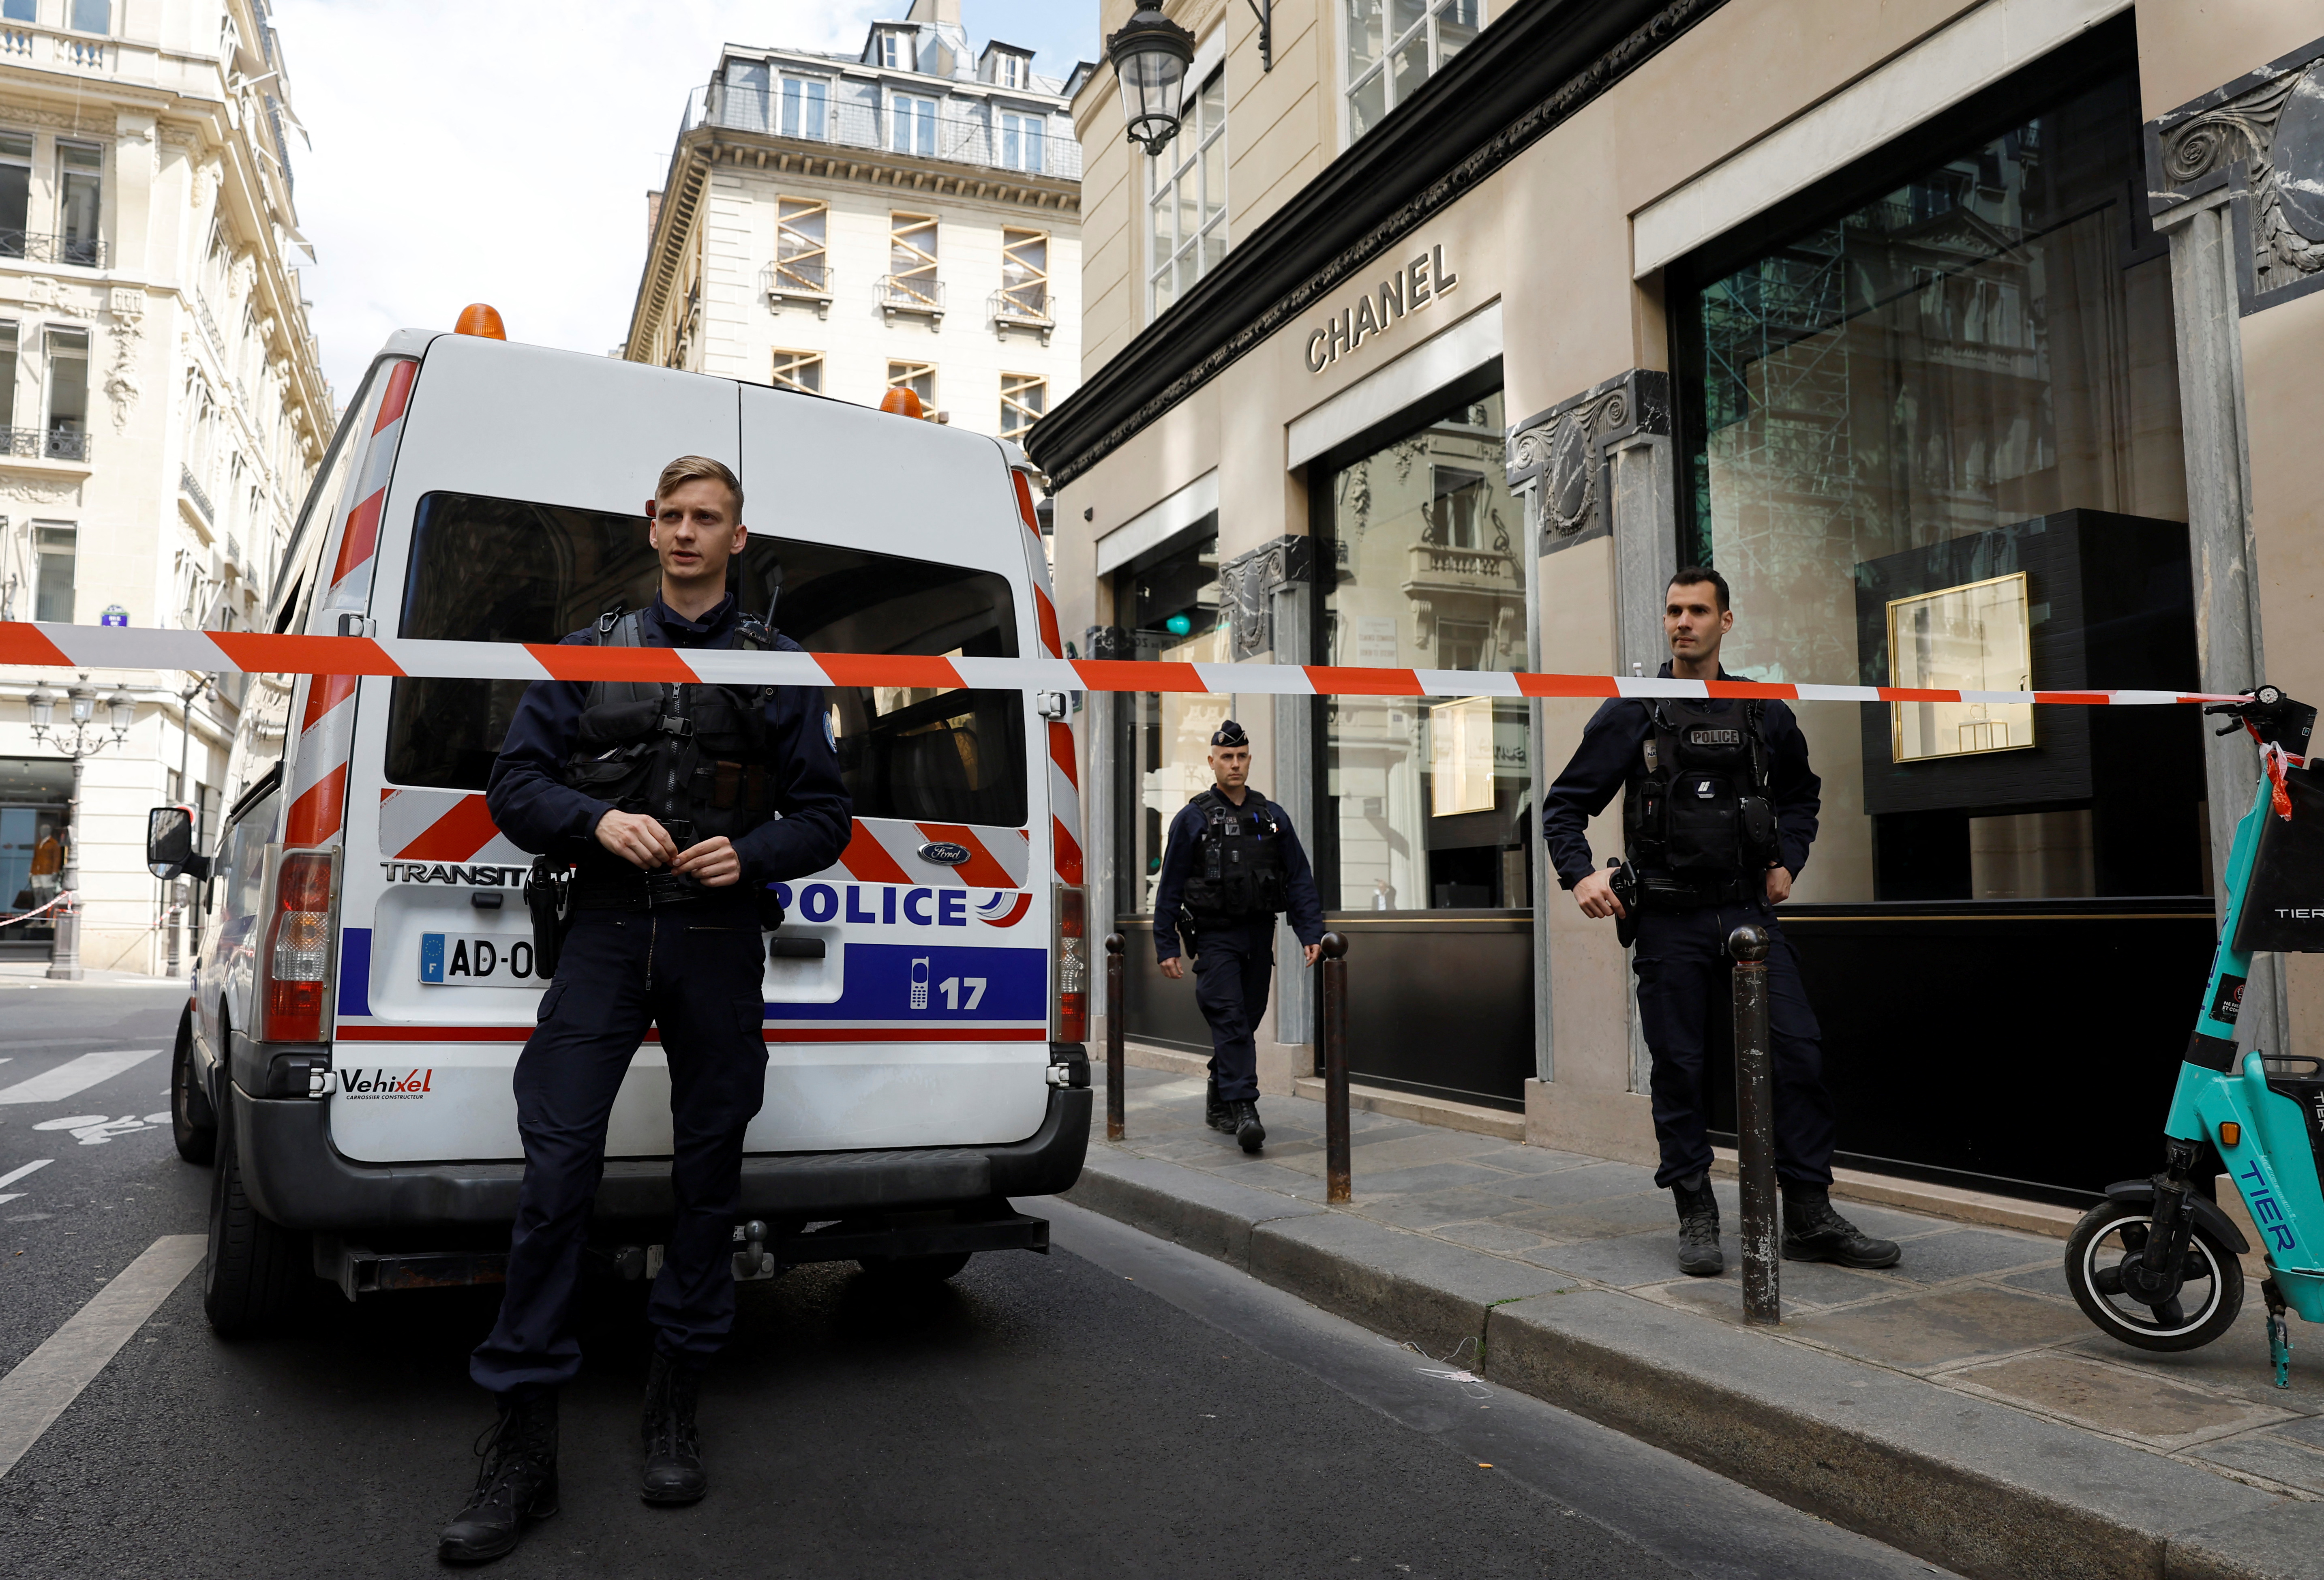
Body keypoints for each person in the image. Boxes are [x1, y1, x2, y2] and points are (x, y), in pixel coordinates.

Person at [437, 455, 852, 1564]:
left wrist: (751, 849)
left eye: (704, 518)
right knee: (556, 1170)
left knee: (707, 1176)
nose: (682, 533)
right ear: (650, 527)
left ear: (737, 536)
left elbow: (825, 817)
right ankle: (522, 1446)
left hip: (717, 936)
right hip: (609, 929)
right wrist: (589, 822)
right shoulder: (586, 653)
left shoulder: (781, 670)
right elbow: (513, 787)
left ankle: (675, 1402)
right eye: (668, 516)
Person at [1540, 568, 1899, 1279]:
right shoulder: (1635, 707)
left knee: (1796, 1057)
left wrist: (1787, 861)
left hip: (1747, 915)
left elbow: (1801, 795)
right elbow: (1563, 804)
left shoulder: (1761, 709)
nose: (1682, 622)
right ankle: (1695, 1211)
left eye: (1697, 610)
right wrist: (1578, 873)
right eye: (1673, 609)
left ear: (1725, 621)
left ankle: (1807, 1212)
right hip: (1668, 919)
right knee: (1680, 1068)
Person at [1152, 719, 1326, 1154]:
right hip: (1214, 938)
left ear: (1250, 759)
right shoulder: (1192, 819)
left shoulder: (1270, 816)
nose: (1235, 764)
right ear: (1211, 762)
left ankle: (1219, 1095)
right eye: (1226, 757)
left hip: (1258, 935)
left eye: (1242, 756)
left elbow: (1299, 877)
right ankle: (1246, 1109)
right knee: (1229, 1020)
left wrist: (1310, 931)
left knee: (1246, 1022)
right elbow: (1170, 886)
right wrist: (1166, 944)